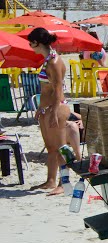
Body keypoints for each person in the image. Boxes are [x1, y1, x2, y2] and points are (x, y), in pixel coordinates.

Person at [27, 28, 72, 195]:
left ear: (37, 42)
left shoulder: (53, 61)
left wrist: (54, 111)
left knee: (61, 147)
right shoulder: (47, 60)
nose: (30, 45)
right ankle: (51, 180)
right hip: (48, 108)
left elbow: (58, 87)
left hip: (56, 108)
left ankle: (64, 184)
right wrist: (41, 107)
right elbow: (46, 89)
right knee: (51, 147)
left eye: (30, 42)